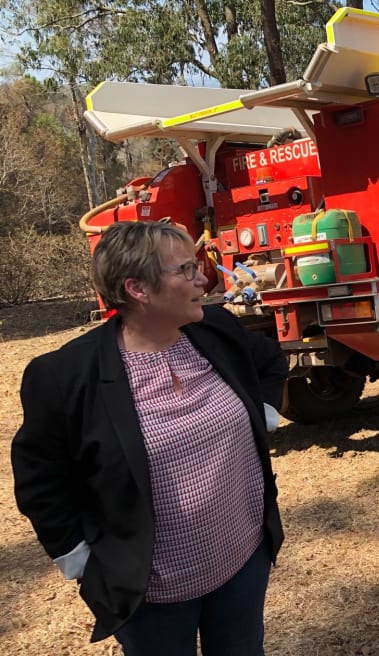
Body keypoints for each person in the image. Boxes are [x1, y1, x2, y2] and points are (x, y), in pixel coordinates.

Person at [11, 221, 287, 655]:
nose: (203, 279)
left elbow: (270, 361)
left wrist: (264, 414)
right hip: (152, 591)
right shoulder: (65, 376)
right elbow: (40, 479)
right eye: (185, 270)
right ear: (137, 288)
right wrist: (79, 559)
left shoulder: (215, 329)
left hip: (244, 556)